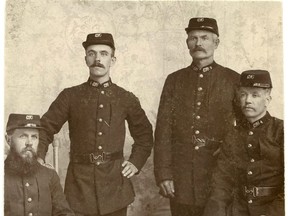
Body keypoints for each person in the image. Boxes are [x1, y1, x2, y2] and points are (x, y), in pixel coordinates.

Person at [37, 33, 153, 216]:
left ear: (113, 60)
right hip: (79, 188)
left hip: (115, 188)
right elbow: (44, 128)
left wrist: (135, 162)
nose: (97, 59)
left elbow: (145, 136)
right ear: (86, 59)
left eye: (104, 53)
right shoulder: (70, 96)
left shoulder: (126, 98)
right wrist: (39, 157)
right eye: (92, 53)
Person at [153, 17, 241, 216]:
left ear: (216, 43)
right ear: (187, 44)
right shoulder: (174, 80)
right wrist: (164, 174)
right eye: (193, 38)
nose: (198, 43)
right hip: (182, 176)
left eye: (205, 38)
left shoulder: (232, 79)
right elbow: (163, 130)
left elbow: (244, 129)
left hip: (220, 175)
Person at [203, 70, 284, 216]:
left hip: (272, 209)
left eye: (255, 95)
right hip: (238, 209)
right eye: (243, 94)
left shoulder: (281, 131)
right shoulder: (232, 135)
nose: (247, 100)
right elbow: (221, 183)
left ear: (268, 99)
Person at [4, 113, 74, 216]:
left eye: (34, 137)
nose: (29, 142)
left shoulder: (50, 176)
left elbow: (64, 213)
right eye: (23, 136)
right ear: (8, 139)